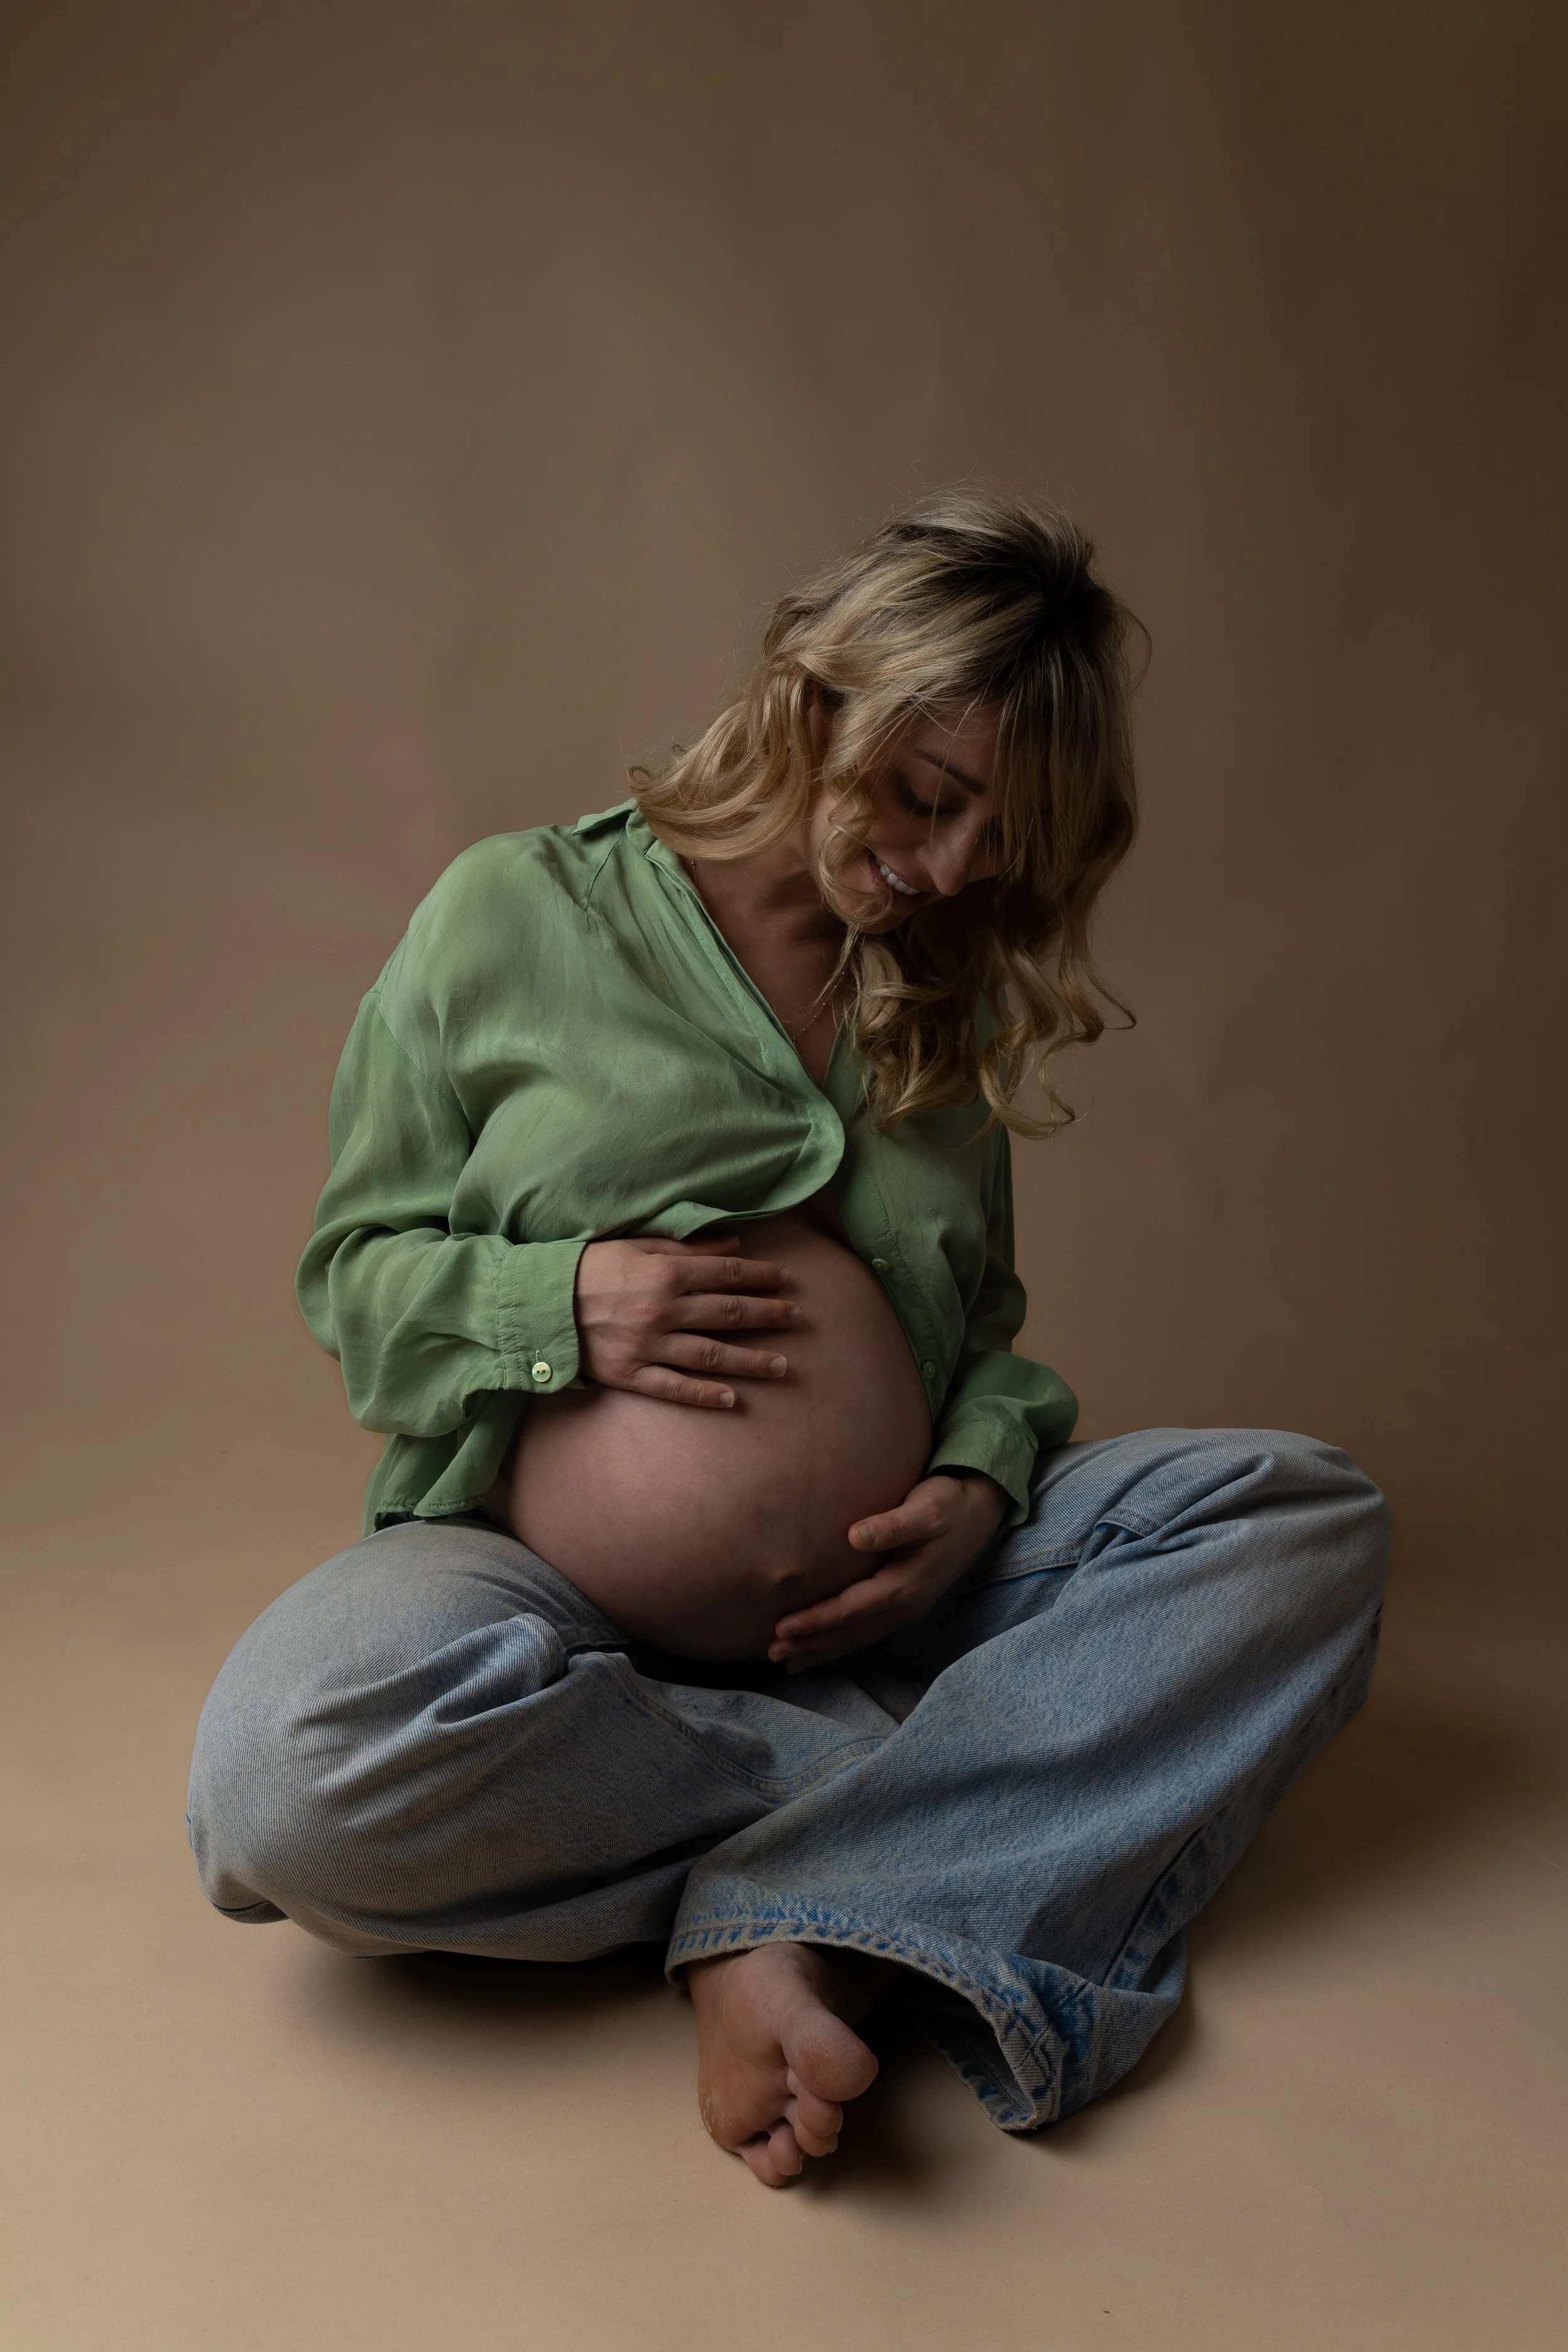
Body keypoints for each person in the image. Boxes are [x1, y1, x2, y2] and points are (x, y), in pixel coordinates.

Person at [188, 492, 1391, 2186]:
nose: (956, 866)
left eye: (1003, 836)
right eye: (929, 794)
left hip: (915, 1605)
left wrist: (979, 1475)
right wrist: (564, 1303)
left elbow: (982, 1335)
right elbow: (357, 1282)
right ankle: (914, 1816)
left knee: (1303, 1516)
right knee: (283, 1781)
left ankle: (774, 1894)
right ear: (814, 701)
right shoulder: (509, 916)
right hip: (551, 1611)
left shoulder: (944, 990)